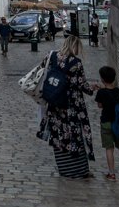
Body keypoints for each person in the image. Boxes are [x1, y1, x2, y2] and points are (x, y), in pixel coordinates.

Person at [40, 35, 95, 179]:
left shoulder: (51, 56)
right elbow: (81, 84)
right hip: (71, 106)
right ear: (74, 46)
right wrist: (92, 89)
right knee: (74, 136)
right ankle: (78, 170)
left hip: (54, 103)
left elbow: (42, 72)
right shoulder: (76, 63)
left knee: (59, 136)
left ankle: (64, 169)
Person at [92, 65, 119, 181]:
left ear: (102, 79)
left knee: (109, 148)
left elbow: (100, 105)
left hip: (106, 123)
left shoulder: (101, 93)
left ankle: (111, 174)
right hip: (118, 124)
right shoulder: (118, 91)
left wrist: (101, 90)